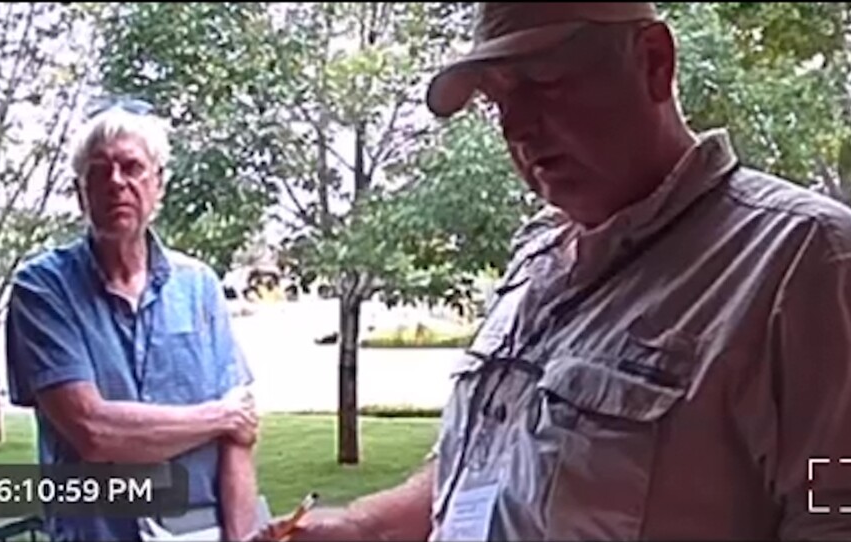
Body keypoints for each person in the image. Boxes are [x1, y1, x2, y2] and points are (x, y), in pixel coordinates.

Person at [255, 2, 851, 541]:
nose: (516, 127)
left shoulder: (808, 264)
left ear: (653, 61)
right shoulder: (537, 256)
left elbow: (833, 512)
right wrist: (365, 526)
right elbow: (490, 461)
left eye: (544, 82)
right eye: (498, 101)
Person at [6, 99, 263, 542]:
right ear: (80, 193)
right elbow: (94, 432)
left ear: (158, 184)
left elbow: (238, 443)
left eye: (132, 167)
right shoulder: (42, 289)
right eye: (99, 172)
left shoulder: (199, 286)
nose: (116, 182)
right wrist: (220, 417)